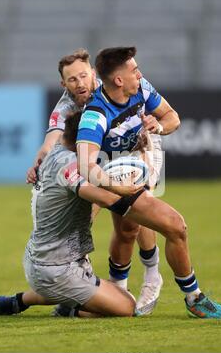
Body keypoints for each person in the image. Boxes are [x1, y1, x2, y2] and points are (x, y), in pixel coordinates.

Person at [0, 112, 221, 319]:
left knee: (111, 292)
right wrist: (135, 188)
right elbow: (109, 200)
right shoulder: (70, 164)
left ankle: (18, 301)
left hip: (49, 259)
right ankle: (69, 308)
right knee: (126, 306)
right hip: (56, 267)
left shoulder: (58, 153)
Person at [26, 48, 167, 314]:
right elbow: (52, 140)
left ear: (93, 73)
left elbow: (166, 113)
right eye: (72, 80)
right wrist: (39, 160)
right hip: (95, 156)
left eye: (82, 76)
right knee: (84, 212)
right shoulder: (65, 108)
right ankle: (89, 280)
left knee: (136, 209)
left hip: (133, 149)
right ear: (64, 84)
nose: (79, 84)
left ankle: (152, 274)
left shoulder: (118, 81)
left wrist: (154, 128)